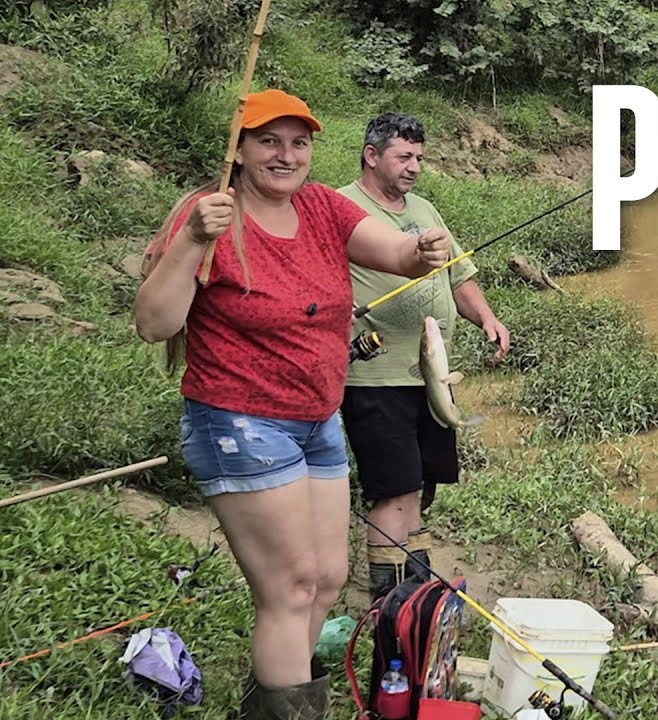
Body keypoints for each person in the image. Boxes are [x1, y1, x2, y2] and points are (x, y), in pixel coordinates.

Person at [133, 90, 453, 720]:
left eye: (299, 143)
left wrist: (421, 252)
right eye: (269, 141)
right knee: (291, 585)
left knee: (326, 579)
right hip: (238, 421)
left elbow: (395, 252)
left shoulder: (322, 206)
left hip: (316, 421)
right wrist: (193, 239)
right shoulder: (208, 214)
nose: (286, 155)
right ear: (239, 149)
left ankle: (277, 700)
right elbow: (153, 324)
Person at [336, 112, 508, 601]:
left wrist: (487, 318)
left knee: (417, 488)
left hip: (430, 379)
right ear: (372, 156)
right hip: (376, 377)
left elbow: (458, 275)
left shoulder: (425, 208)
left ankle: (417, 600)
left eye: (419, 158)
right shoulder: (343, 207)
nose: (414, 167)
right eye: (403, 157)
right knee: (393, 490)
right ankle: (390, 607)